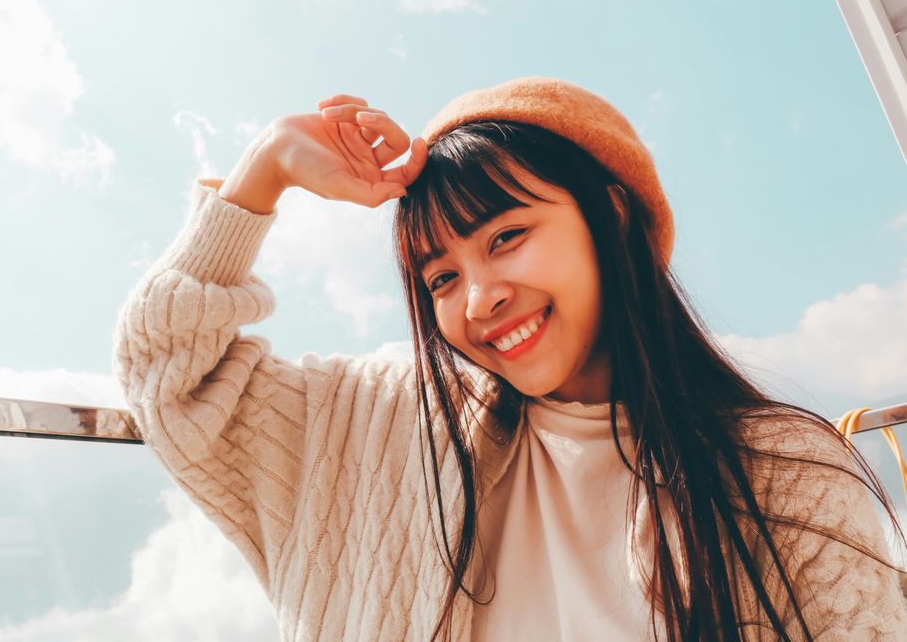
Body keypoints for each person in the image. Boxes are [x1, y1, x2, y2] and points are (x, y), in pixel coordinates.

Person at [111, 76, 907, 641]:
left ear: (613, 216)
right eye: (441, 276)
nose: (479, 298)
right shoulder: (388, 424)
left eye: (507, 236)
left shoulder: (785, 469)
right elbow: (172, 377)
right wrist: (267, 165)